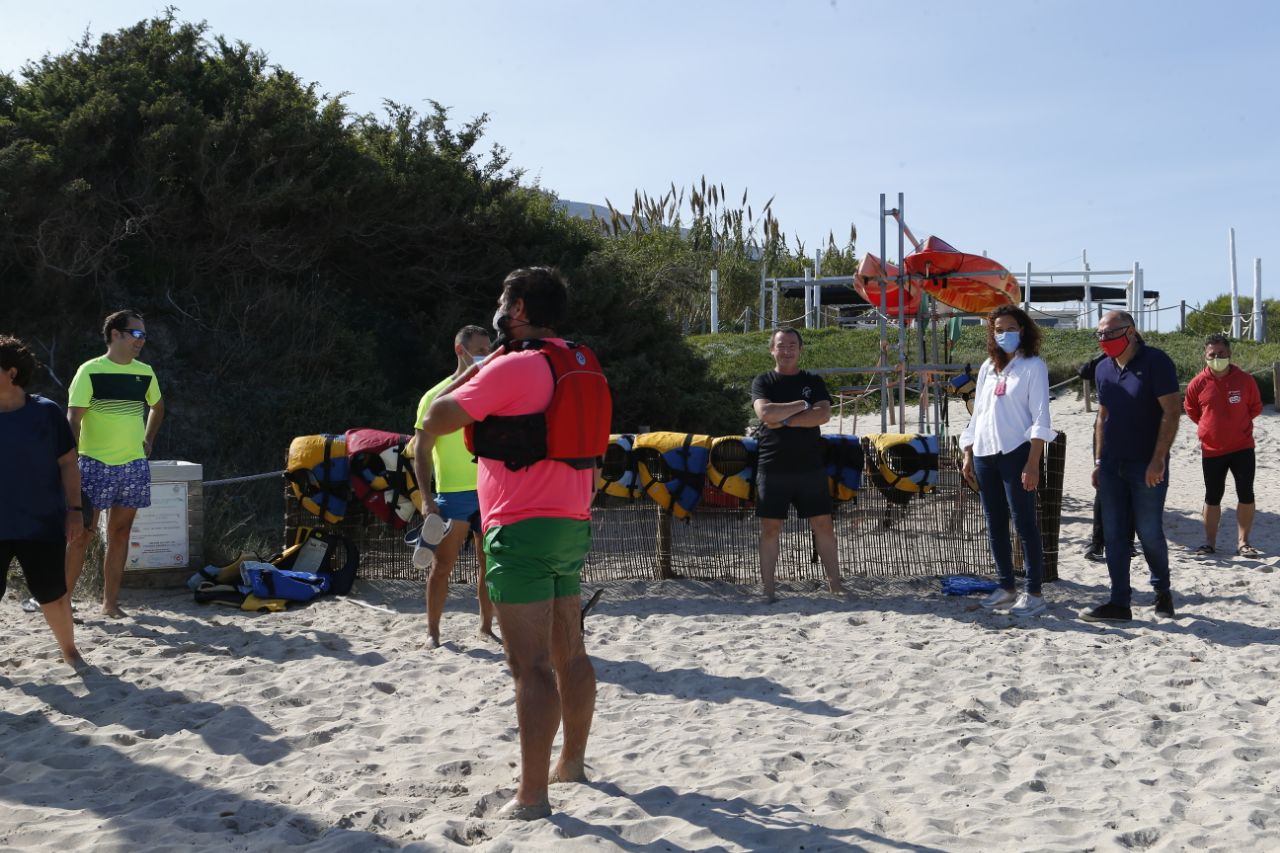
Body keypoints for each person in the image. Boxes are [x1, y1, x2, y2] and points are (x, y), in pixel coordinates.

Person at [421, 267, 611, 820]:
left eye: (503, 301)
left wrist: (475, 367)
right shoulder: (578, 361)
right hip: (571, 521)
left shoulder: (516, 366)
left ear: (520, 309)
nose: (498, 310)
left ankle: (532, 798)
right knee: (570, 650)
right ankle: (571, 763)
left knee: (530, 667)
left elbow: (436, 417)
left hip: (520, 524)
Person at [1081, 310, 1180, 623]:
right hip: (1111, 465)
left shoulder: (1156, 361)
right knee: (1113, 535)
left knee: (1149, 532)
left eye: (1111, 333)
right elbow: (1102, 416)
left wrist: (1158, 459)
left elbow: (1172, 413)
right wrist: (1098, 460)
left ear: (1131, 331)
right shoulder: (1102, 368)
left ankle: (1162, 592)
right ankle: (1119, 602)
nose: (1104, 339)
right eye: (1100, 334)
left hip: (1147, 466)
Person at [64, 310, 164, 618]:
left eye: (144, 335)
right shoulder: (89, 370)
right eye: (136, 334)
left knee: (121, 533)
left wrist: (148, 441)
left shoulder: (145, 371)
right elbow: (73, 419)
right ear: (116, 334)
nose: (141, 340)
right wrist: (72, 461)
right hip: (93, 464)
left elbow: (157, 407)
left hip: (133, 465)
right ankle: (63, 602)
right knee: (82, 534)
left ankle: (110, 604)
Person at [960, 305, 1057, 617]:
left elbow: (1042, 417)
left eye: (1010, 328)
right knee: (995, 522)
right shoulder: (989, 367)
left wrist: (1032, 463)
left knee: (1025, 523)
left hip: (1017, 453)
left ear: (1023, 330)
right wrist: (968, 452)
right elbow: (978, 415)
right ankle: (1005, 587)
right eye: (998, 329)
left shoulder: (1033, 366)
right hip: (986, 453)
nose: (1004, 334)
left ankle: (1034, 592)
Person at [0, 335, 86, 668]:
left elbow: (68, 463)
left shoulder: (46, 413)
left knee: (53, 594)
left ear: (10, 373)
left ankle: (70, 651)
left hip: (40, 523)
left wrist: (75, 511)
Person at [412, 324, 498, 647]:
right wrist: (426, 498)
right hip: (453, 494)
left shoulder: (492, 390)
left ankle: (486, 627)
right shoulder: (435, 397)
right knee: (443, 564)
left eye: (489, 350)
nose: (485, 356)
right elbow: (420, 450)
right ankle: (433, 633)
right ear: (459, 350)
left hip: (490, 490)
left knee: (489, 563)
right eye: (479, 350)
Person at [750, 328, 843, 602]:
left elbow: (823, 414)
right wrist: (802, 406)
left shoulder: (812, 380)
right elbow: (765, 413)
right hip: (772, 465)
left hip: (810, 465)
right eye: (781, 345)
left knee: (823, 525)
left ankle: (835, 585)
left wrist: (785, 418)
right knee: (770, 528)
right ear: (772, 350)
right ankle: (768, 590)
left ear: (800, 350)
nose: (787, 350)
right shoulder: (763, 381)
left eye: (792, 345)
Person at [1183, 333, 1263, 557]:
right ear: (1205, 356)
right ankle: (1209, 542)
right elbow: (1192, 410)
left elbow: (1255, 408)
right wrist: (1210, 427)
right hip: (1212, 450)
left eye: (1221, 354)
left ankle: (1243, 542)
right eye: (1212, 354)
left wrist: (1236, 425)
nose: (1216, 357)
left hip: (1242, 447)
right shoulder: (1197, 383)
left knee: (1246, 493)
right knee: (1212, 496)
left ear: (1229, 353)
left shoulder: (1245, 380)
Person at [1078, 353, 1137, 563]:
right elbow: (1083, 371)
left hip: (1134, 429)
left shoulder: (1145, 360)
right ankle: (1097, 542)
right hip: (1105, 428)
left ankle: (1128, 542)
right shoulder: (1105, 364)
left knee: (1131, 486)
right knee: (1103, 485)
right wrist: (1106, 354)